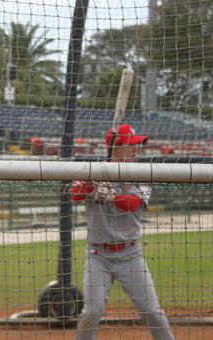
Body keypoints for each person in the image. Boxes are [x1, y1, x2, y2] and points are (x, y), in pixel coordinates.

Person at [73, 124, 175, 340]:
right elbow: (75, 194)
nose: (137, 149)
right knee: (92, 311)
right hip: (98, 256)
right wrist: (93, 184)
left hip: (131, 255)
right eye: (132, 145)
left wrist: (110, 195)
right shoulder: (94, 170)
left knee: (151, 311)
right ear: (117, 148)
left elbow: (133, 203)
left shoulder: (140, 173)